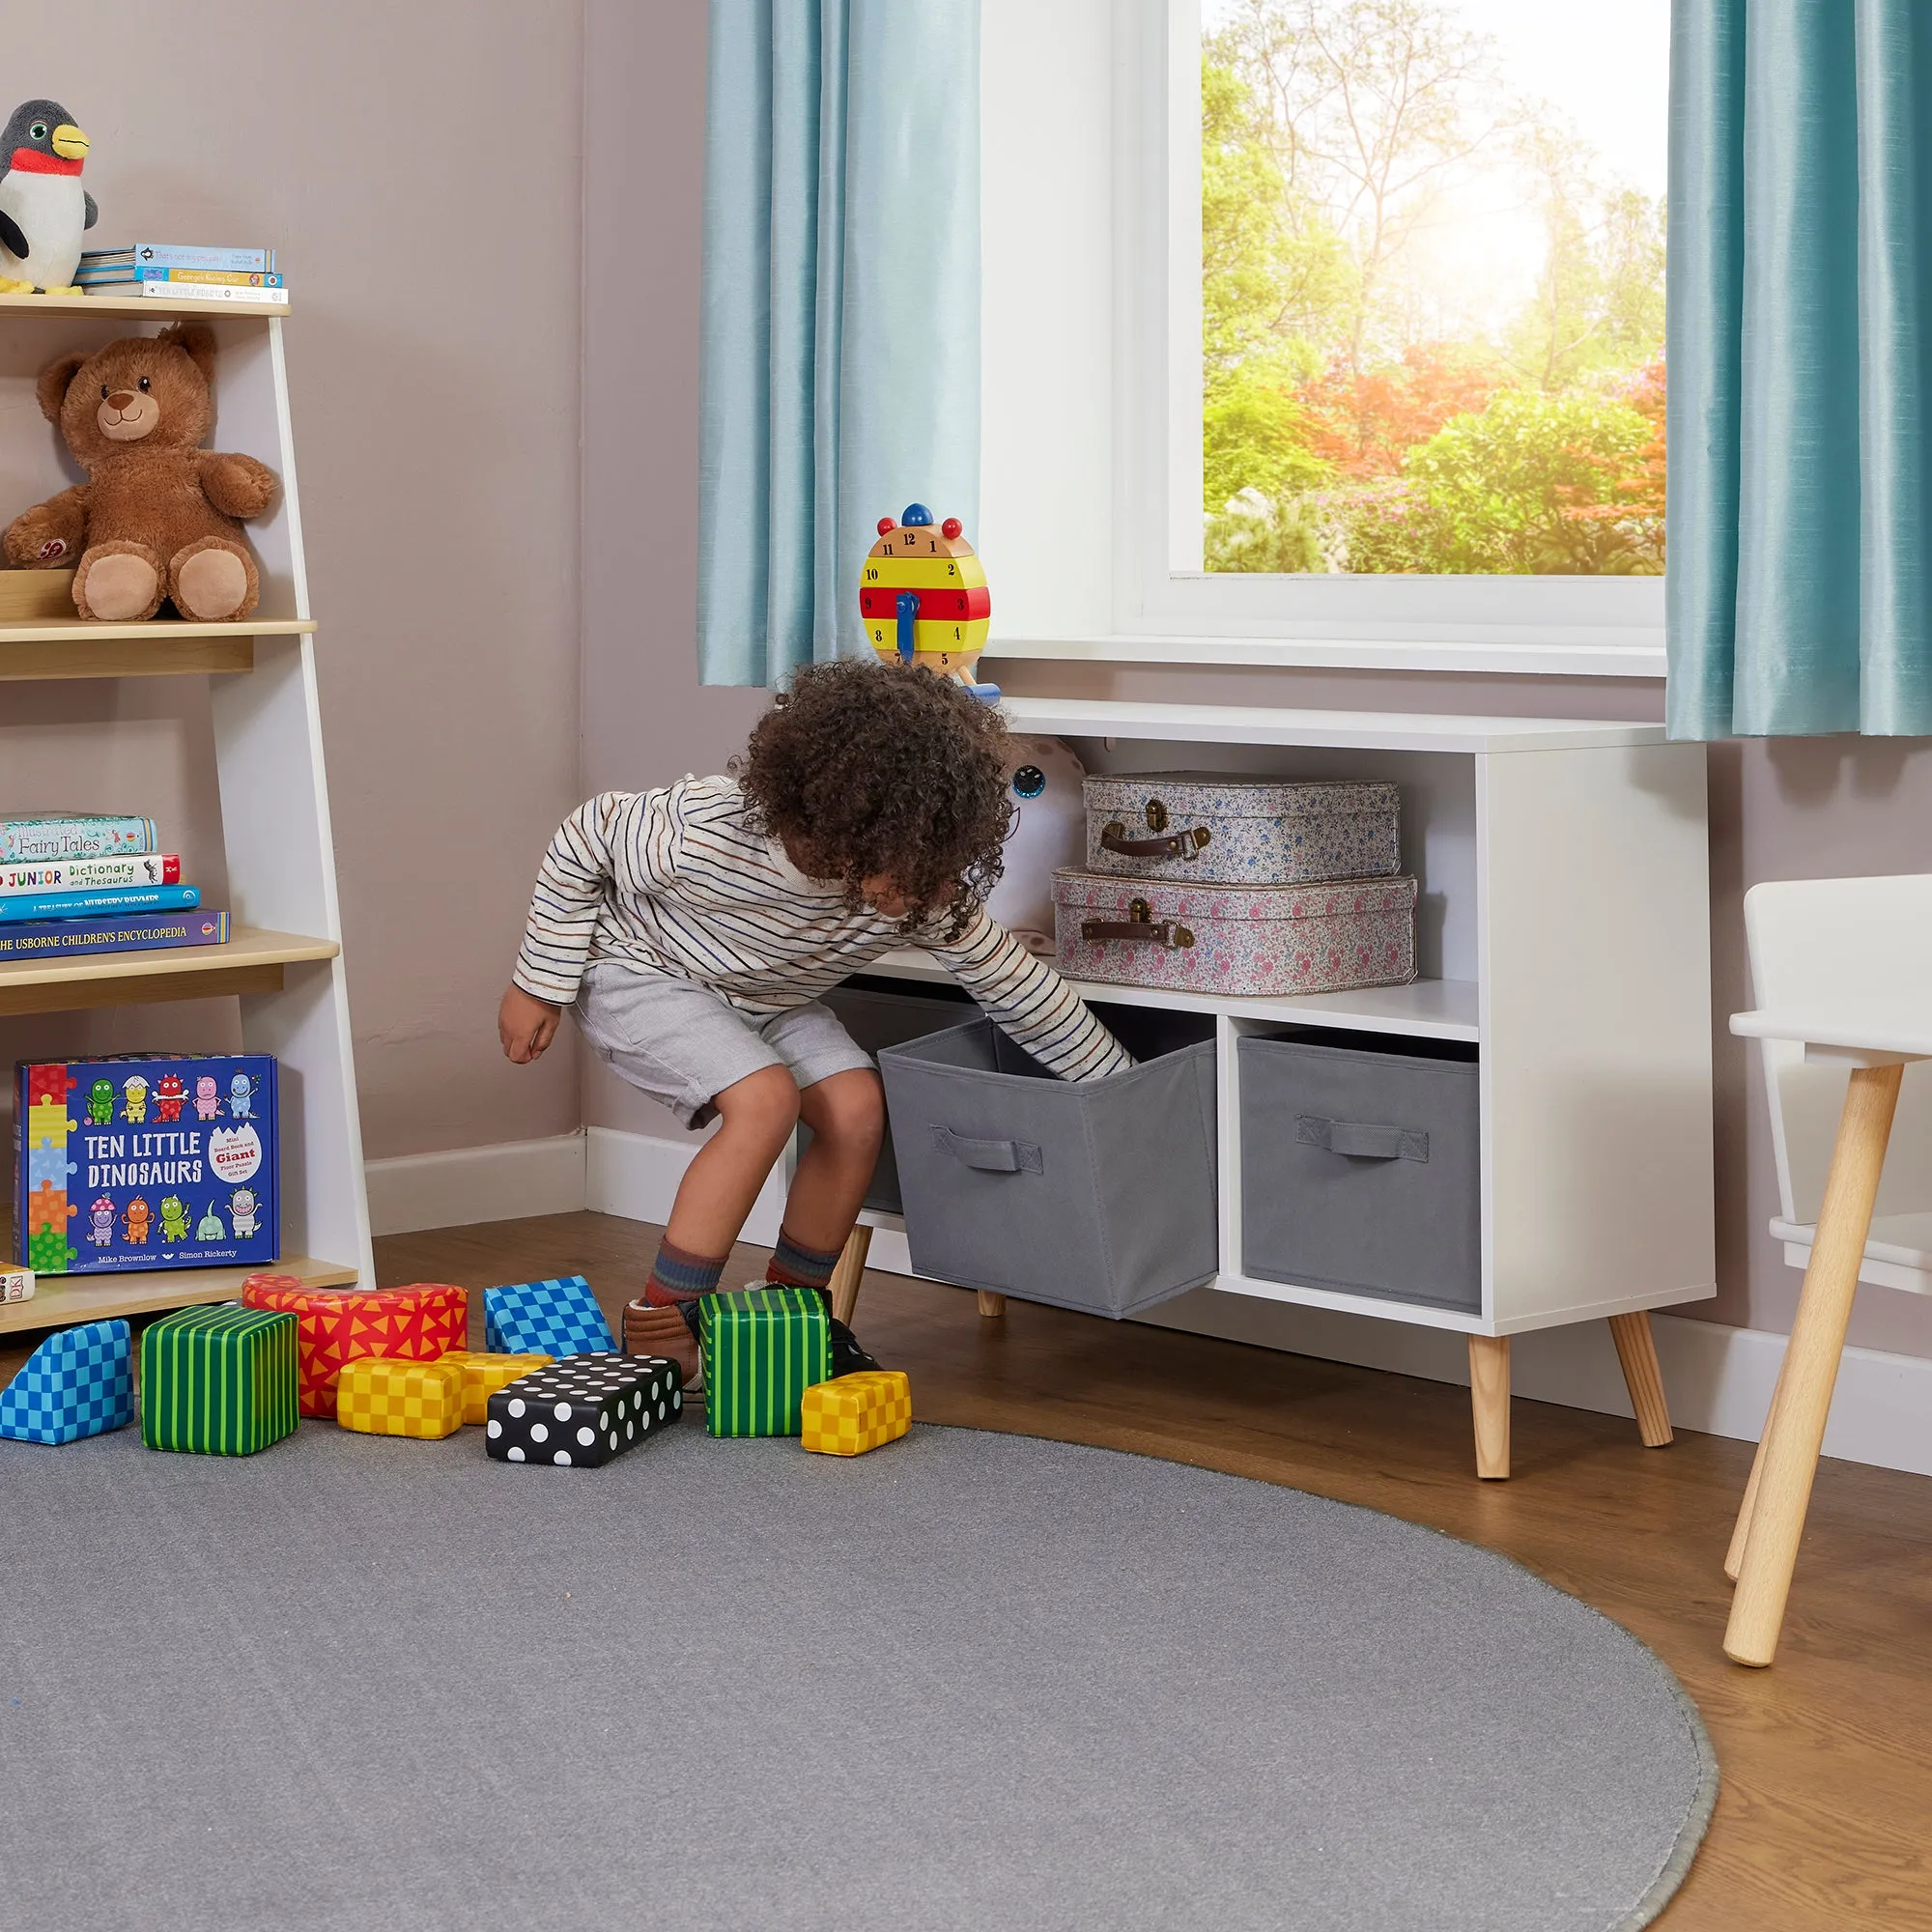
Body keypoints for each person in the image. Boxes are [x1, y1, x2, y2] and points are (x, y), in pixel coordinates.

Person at [498, 660, 1131, 1385]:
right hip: (641, 970)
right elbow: (584, 837)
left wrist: (1117, 1092)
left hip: (764, 999)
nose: (923, 892)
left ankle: (790, 1317)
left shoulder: (924, 891)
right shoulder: (709, 831)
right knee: (764, 1101)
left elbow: (1021, 991)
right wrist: (538, 985)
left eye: (941, 862)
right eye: (907, 866)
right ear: (841, 829)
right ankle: (661, 1321)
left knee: (859, 1106)